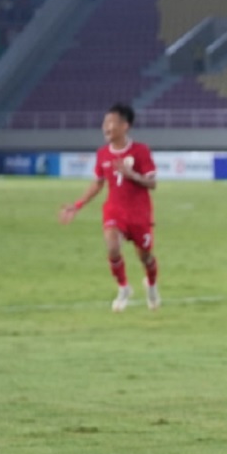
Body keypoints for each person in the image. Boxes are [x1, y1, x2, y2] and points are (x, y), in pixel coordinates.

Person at [58, 103, 160, 312]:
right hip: (115, 210)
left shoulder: (140, 151)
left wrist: (131, 174)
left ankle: (151, 285)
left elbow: (152, 183)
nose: (106, 127)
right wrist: (77, 205)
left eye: (111, 122)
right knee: (112, 248)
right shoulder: (103, 153)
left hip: (140, 214)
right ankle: (123, 288)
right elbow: (98, 183)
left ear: (125, 125)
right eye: (105, 123)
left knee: (145, 257)